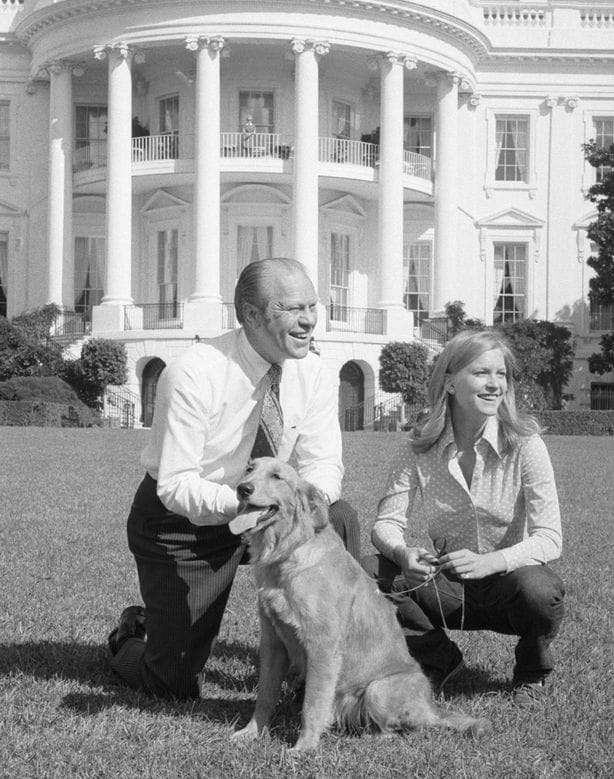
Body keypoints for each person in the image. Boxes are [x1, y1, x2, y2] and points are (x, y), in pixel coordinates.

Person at [108, 257, 360, 700]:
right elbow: (176, 484)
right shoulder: (193, 372)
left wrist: (302, 502)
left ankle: (316, 670)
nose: (308, 320)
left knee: (337, 518)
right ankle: (132, 635)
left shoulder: (315, 372)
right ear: (250, 315)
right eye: (291, 309)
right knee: (172, 683)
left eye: (313, 306)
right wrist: (250, 508)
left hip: (267, 509)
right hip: (184, 522)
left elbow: (323, 462)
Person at [362, 329, 564, 707]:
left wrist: (492, 561)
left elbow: (550, 537)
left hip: (508, 585)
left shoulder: (526, 445)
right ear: (450, 382)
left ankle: (532, 674)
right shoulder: (419, 446)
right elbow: (386, 523)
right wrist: (404, 554)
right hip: (447, 587)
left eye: (501, 374)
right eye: (482, 373)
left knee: (542, 591)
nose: (495, 384)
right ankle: (437, 657)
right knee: (368, 572)